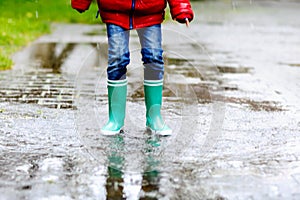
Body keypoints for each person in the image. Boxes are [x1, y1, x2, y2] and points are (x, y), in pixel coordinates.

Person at [72, 0, 194, 136]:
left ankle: (154, 117)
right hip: (115, 8)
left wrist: (181, 8)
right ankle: (115, 119)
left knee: (153, 58)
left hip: (150, 9)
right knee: (117, 60)